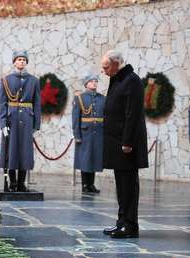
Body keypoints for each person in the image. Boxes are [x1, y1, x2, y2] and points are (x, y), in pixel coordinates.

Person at [101, 50, 148, 238]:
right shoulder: (119, 79)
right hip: (116, 143)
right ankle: (121, 222)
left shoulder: (132, 80)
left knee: (128, 186)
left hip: (126, 145)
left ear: (116, 63)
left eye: (106, 67)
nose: (103, 71)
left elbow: (132, 114)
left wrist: (127, 142)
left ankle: (130, 226)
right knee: (121, 186)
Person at [0, 50, 41, 192]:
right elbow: (2, 104)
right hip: (12, 120)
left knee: (25, 152)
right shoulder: (6, 80)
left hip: (27, 120)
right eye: (19, 59)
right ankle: (12, 182)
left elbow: (37, 103)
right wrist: (3, 124)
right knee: (11, 151)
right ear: (14, 62)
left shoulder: (34, 81)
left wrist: (36, 124)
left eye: (24, 59)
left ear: (26, 62)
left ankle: (21, 183)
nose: (21, 61)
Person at [72, 73, 105, 193]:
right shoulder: (80, 98)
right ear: (86, 84)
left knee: (95, 158)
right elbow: (75, 118)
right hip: (85, 133)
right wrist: (76, 135)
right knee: (85, 159)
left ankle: (91, 184)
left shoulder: (102, 98)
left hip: (98, 133)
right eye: (91, 81)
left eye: (96, 81)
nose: (94, 83)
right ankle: (85, 184)